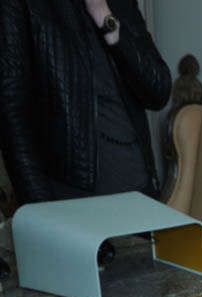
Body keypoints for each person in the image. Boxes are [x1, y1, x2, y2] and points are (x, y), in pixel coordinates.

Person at [0, 0, 171, 205]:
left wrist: (104, 16)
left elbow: (158, 91)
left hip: (140, 191)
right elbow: (12, 114)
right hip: (73, 199)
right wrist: (41, 210)